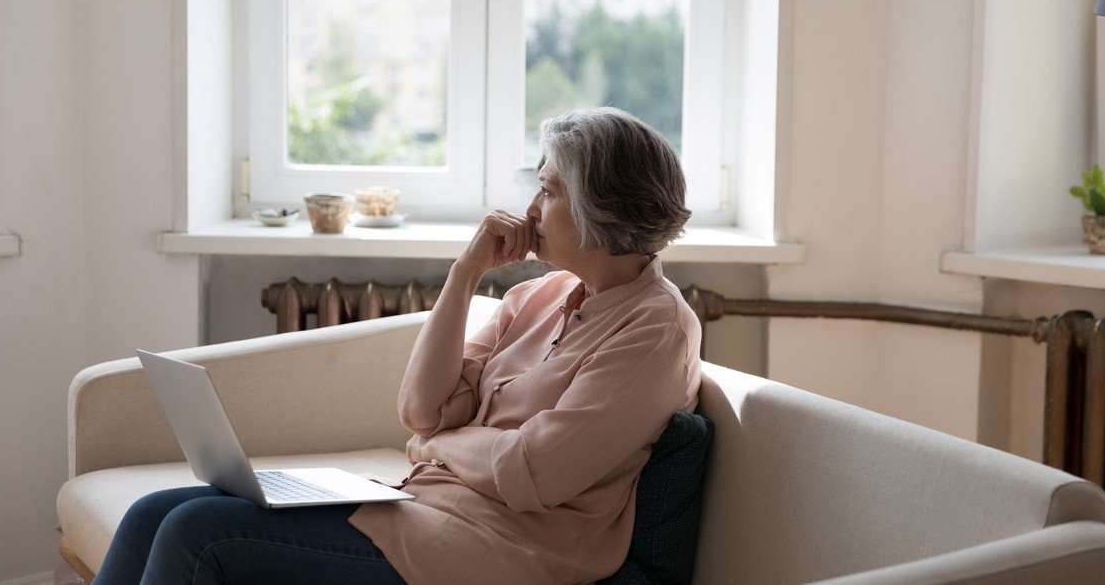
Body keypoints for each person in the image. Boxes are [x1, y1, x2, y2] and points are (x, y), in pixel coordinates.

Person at [95, 107, 703, 584]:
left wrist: (437, 445)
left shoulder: (656, 329)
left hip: (505, 553)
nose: (529, 209)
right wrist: (465, 274)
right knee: (154, 512)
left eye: (549, 191)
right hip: (421, 509)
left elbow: (530, 475)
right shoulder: (537, 297)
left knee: (199, 532)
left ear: (603, 210)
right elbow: (419, 411)